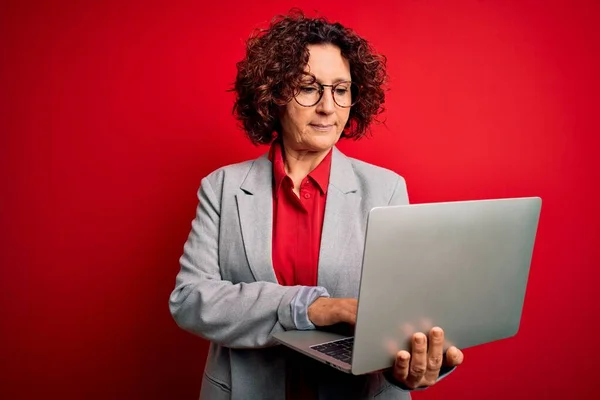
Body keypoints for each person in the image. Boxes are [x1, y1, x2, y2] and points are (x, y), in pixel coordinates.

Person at [169, 9, 464, 400]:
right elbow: (190, 300)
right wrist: (312, 308)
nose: (328, 106)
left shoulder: (386, 189)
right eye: (308, 87)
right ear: (271, 94)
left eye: (341, 89)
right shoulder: (221, 187)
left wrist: (414, 367)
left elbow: (403, 314)